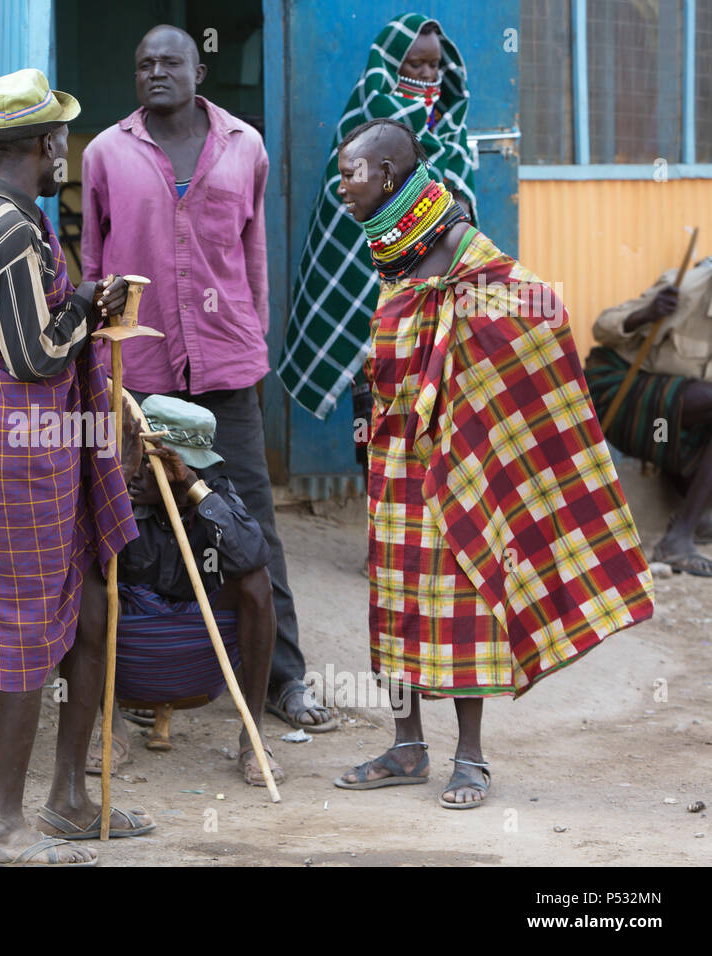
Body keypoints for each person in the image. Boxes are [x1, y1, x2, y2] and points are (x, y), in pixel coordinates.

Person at [331, 118, 654, 808]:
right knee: (396, 599)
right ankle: (406, 744)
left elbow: (541, 308)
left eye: (351, 174)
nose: (342, 186)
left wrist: (465, 348)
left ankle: (470, 757)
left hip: (457, 456)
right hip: (394, 457)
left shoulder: (461, 249)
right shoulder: (391, 246)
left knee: (465, 595)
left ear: (387, 176)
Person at [0, 68, 152, 866]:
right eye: (60, 140)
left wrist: (80, 304)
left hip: (30, 452)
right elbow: (36, 354)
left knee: (88, 610)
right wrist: (86, 304)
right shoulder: (10, 231)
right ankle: (2, 825)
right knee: (22, 641)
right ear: (47, 143)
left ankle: (67, 801)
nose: (64, 153)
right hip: (15, 462)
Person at [82, 24, 334, 734]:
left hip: (224, 368)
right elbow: (94, 267)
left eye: (170, 61)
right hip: (143, 375)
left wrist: (251, 344)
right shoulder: (106, 153)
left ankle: (284, 679)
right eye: (144, 63)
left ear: (199, 68)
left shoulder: (244, 147)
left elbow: (252, 258)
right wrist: (106, 374)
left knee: (251, 525)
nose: (155, 71)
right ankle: (148, 678)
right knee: (144, 524)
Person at [280, 14, 477, 426]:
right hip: (372, 278)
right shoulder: (367, 112)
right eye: (414, 64)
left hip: (431, 283)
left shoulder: (449, 124)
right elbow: (350, 202)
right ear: (391, 65)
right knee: (375, 397)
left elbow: (460, 200)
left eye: (433, 65)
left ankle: (421, 486)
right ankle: (374, 482)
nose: (426, 74)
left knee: (430, 396)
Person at [90, 395, 279, 786]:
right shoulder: (119, 486)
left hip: (199, 644)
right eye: (137, 460)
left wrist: (194, 489)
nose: (140, 473)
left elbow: (251, 555)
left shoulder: (212, 492)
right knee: (81, 585)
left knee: (256, 582)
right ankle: (109, 727)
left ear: (182, 468)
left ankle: (253, 734)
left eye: (152, 465)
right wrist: (118, 491)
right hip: (131, 639)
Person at [585, 257, 712, 575]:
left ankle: (699, 519)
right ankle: (678, 538)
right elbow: (603, 327)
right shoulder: (685, 287)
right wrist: (647, 313)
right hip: (627, 401)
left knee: (681, 423)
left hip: (666, 427)